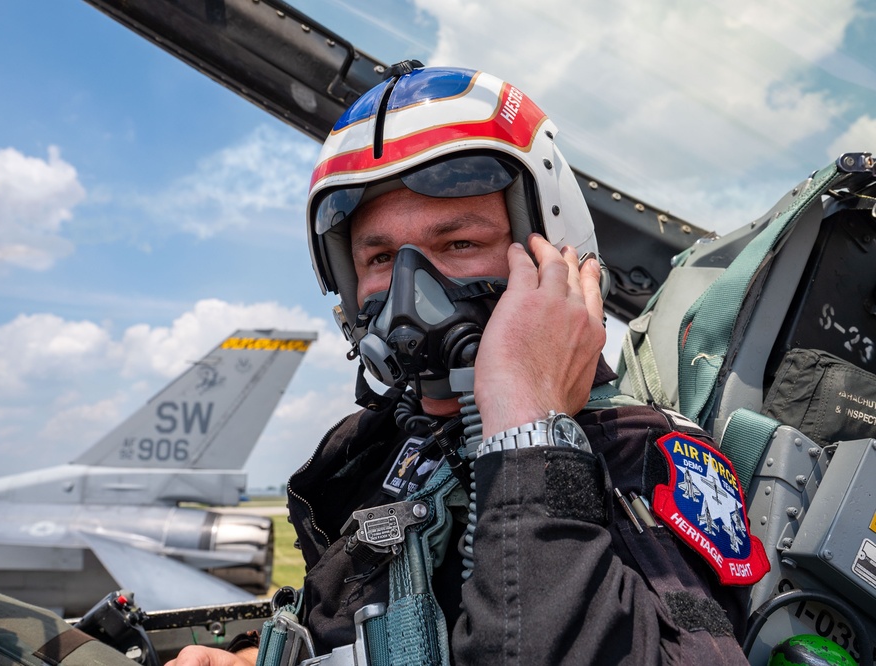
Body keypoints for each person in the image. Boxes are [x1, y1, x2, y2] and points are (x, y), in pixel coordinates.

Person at [169, 65, 762, 666]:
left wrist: (527, 427)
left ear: (553, 257)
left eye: (458, 245)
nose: (406, 294)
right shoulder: (372, 449)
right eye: (378, 258)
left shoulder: (645, 459)